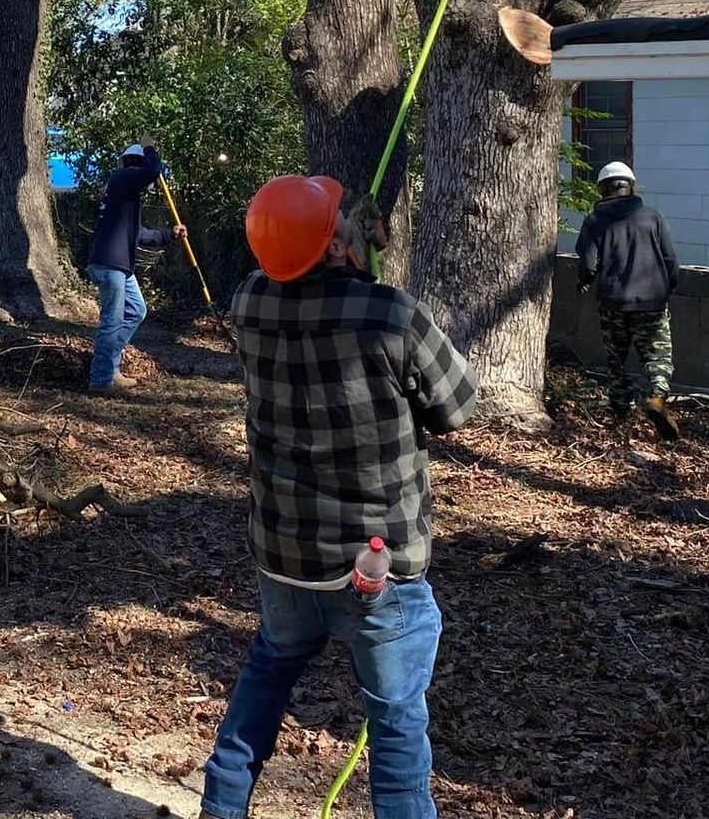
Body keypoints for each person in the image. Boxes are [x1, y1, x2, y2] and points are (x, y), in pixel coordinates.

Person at [201, 175, 477, 819]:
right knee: (396, 719)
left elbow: (307, 289)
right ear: (331, 250)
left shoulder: (249, 303)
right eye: (337, 227)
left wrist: (352, 247)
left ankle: (221, 808)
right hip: (374, 564)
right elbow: (456, 407)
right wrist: (366, 264)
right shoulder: (391, 313)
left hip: (284, 555)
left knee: (267, 676)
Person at [576, 160, 681, 439]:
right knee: (658, 357)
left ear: (603, 189)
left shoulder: (594, 221)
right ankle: (657, 398)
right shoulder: (652, 217)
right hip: (652, 302)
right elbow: (671, 259)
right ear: (630, 186)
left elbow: (588, 265)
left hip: (613, 303)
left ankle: (620, 411)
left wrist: (584, 282)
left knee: (616, 361)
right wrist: (668, 287)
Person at [84, 142, 185, 392]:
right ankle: (100, 380)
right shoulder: (123, 179)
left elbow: (139, 234)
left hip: (119, 266)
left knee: (137, 310)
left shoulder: (125, 197)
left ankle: (111, 368)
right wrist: (151, 148)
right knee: (112, 321)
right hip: (110, 265)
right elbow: (152, 170)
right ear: (134, 163)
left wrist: (169, 234)